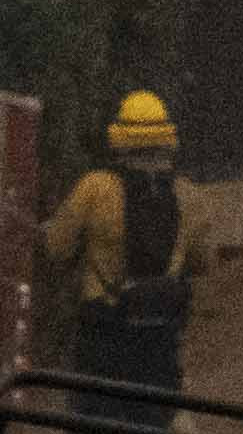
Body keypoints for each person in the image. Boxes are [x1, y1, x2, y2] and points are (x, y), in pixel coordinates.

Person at [44, 89, 195, 392]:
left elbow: (56, 248)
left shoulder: (95, 188)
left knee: (93, 433)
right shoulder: (186, 194)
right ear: (168, 137)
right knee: (148, 433)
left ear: (117, 137)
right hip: (160, 341)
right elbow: (202, 258)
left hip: (102, 336)